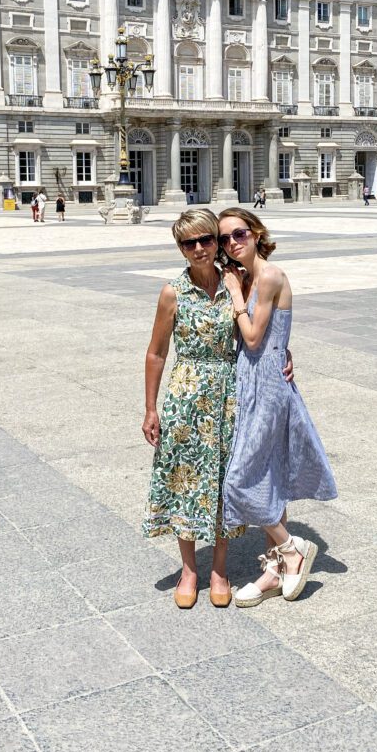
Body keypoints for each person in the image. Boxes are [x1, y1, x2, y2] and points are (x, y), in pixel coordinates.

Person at [218, 208, 337, 607]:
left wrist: (235, 295)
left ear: (255, 233)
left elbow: (252, 338)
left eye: (238, 233)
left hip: (266, 385)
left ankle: (291, 548)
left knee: (239, 478)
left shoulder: (266, 275)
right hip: (252, 379)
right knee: (265, 473)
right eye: (224, 239)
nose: (232, 242)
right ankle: (275, 568)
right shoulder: (248, 275)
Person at [142, 209, 246, 609]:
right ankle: (189, 569)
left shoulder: (236, 282)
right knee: (184, 478)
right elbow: (156, 353)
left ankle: (219, 567)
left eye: (206, 239)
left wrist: (283, 352)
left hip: (227, 393)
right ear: (180, 249)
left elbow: (259, 328)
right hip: (186, 395)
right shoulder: (173, 292)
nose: (199, 248)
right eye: (189, 243)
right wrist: (151, 409)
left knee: (223, 479)